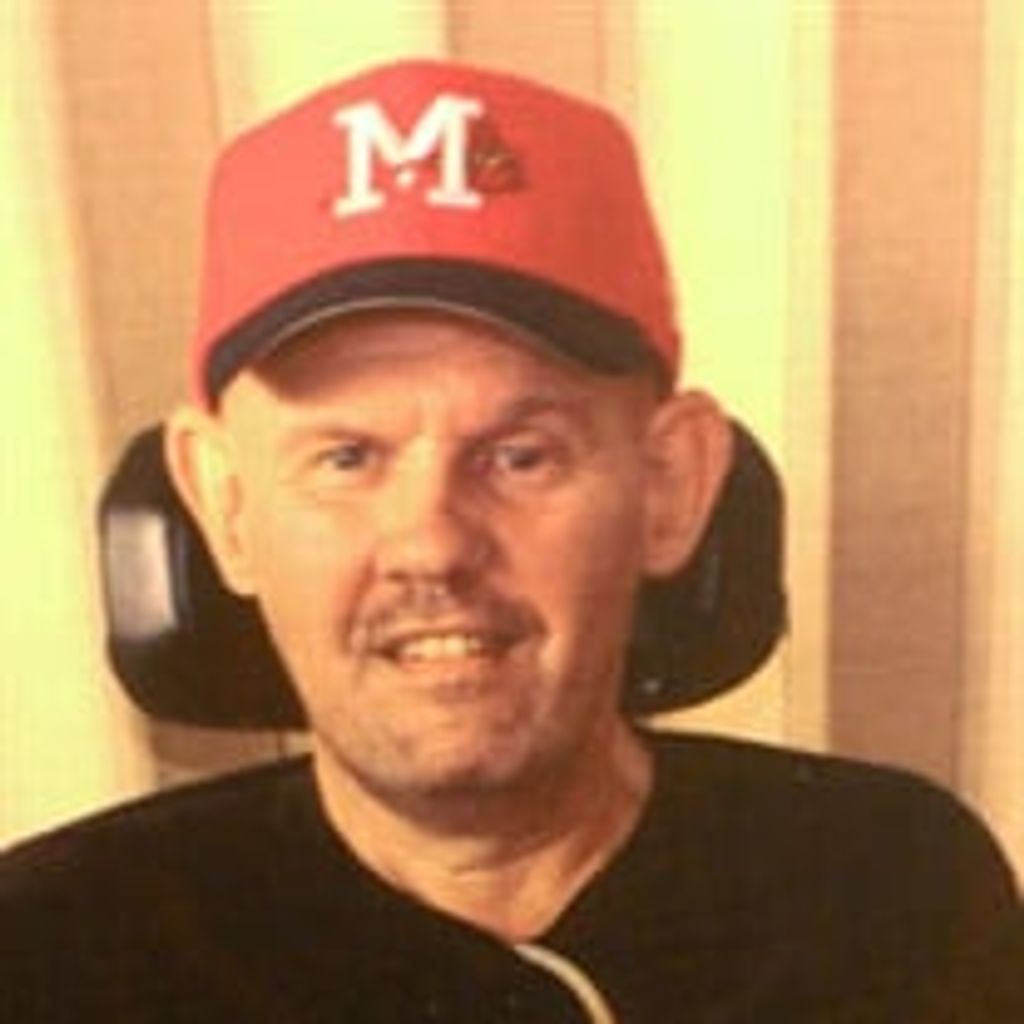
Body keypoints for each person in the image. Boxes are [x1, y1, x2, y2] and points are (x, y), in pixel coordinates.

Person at [2, 59, 1021, 1023]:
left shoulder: (893, 894)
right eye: (347, 458)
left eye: (520, 456)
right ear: (224, 507)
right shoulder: (56, 954)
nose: (430, 545)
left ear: (669, 485)